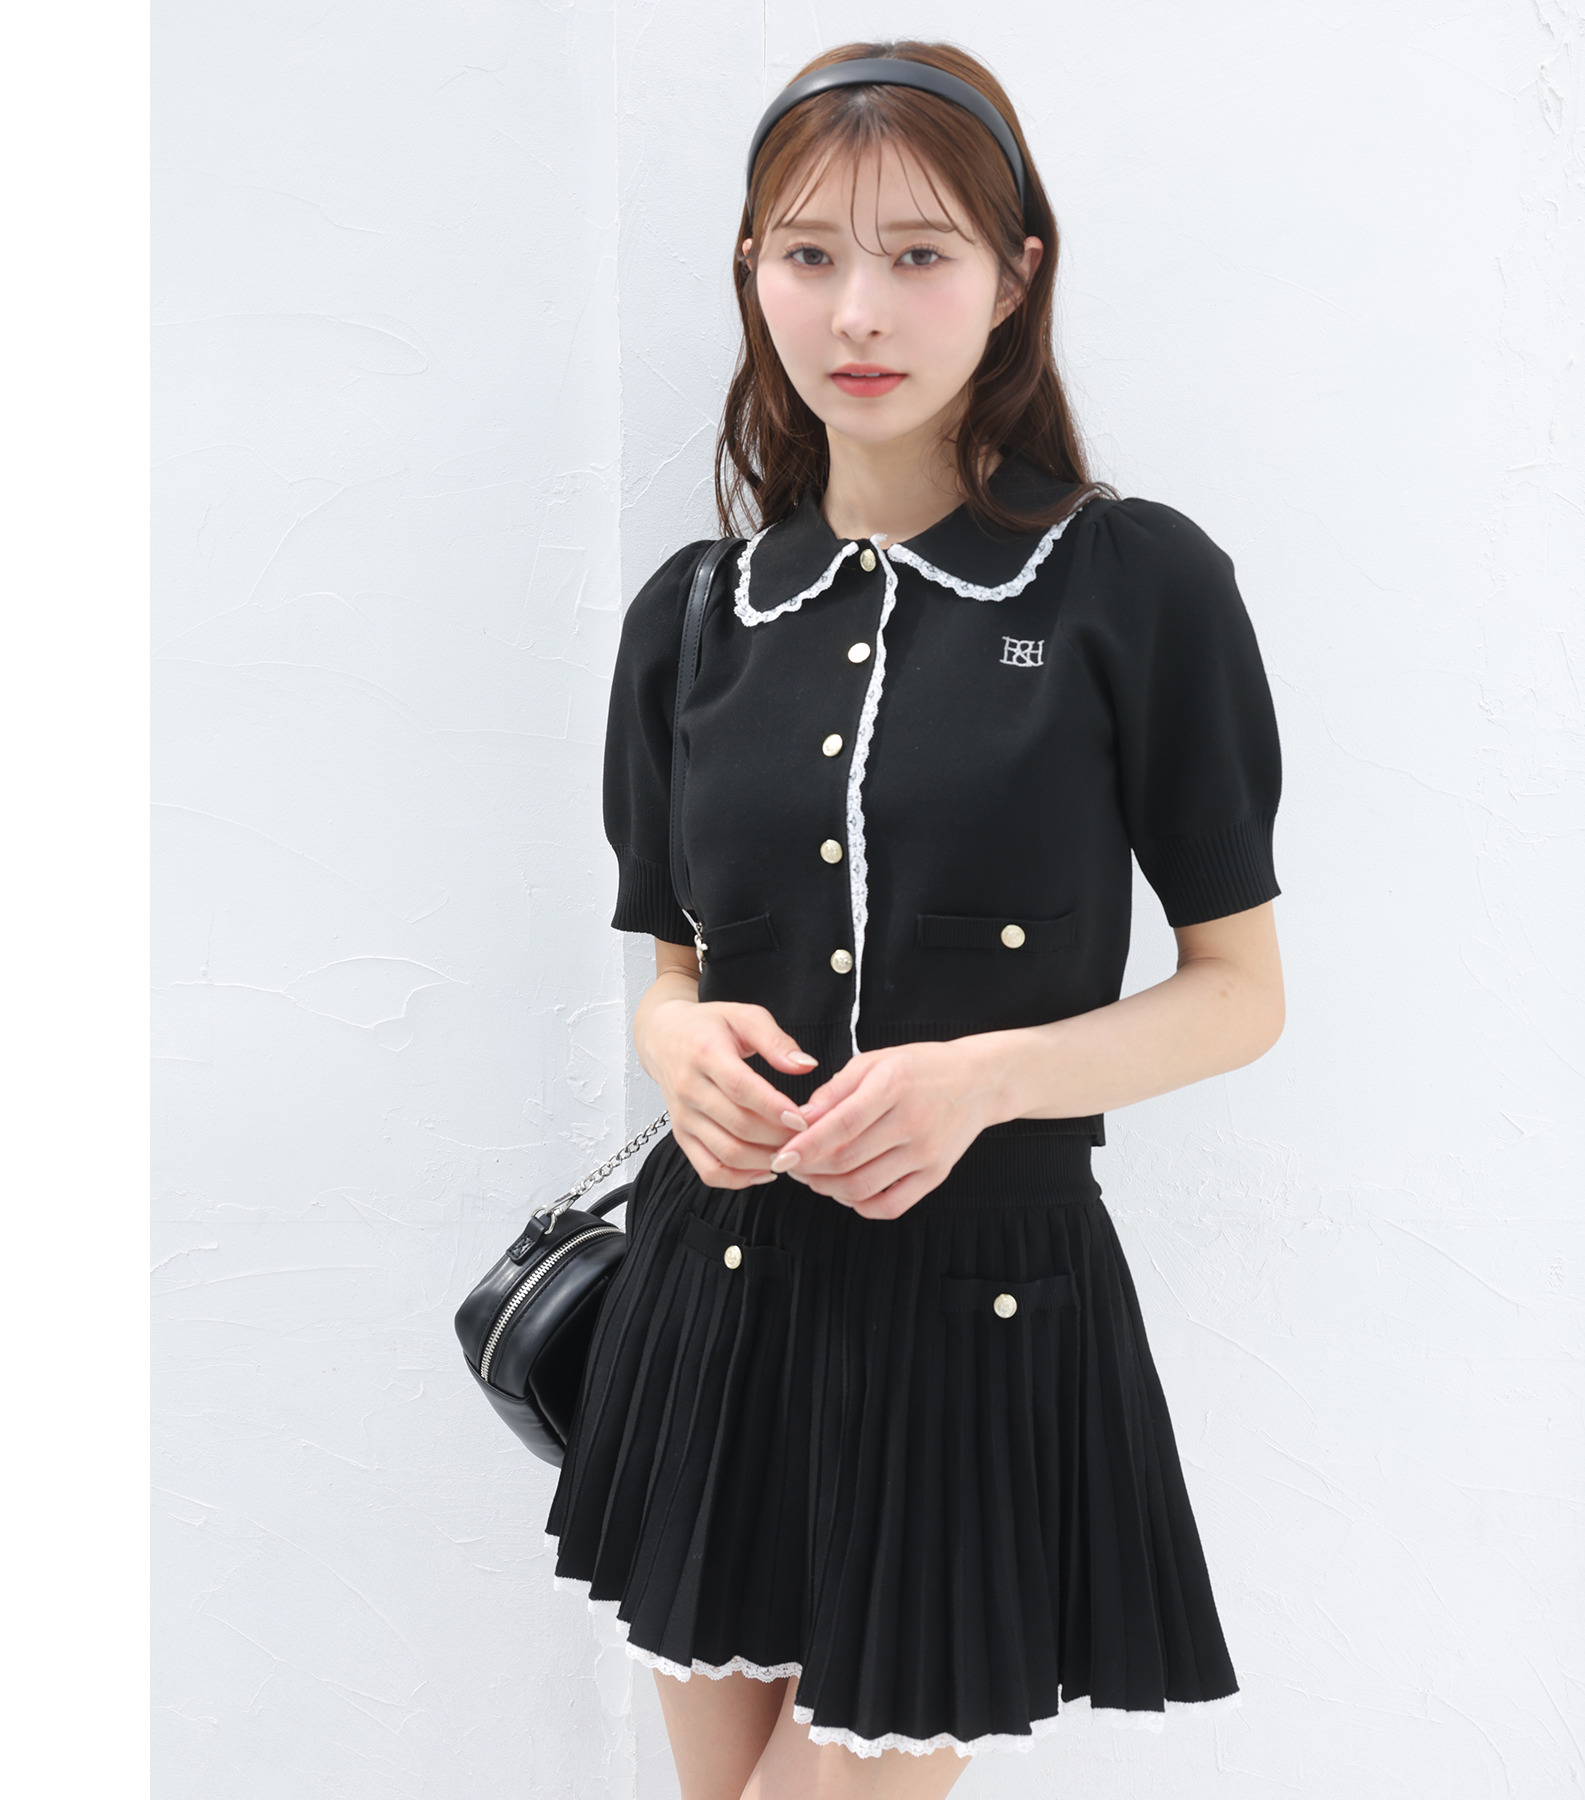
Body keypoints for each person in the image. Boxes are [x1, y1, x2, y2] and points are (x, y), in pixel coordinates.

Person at [544, 39, 1286, 1800]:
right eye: (809, 254)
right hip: (716, 1291)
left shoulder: (1135, 586)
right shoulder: (694, 616)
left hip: (979, 1306)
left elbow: (1241, 991)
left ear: (1015, 275)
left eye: (919, 254)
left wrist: (982, 1080)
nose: (857, 310)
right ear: (752, 271)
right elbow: (670, 966)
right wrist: (672, 1039)